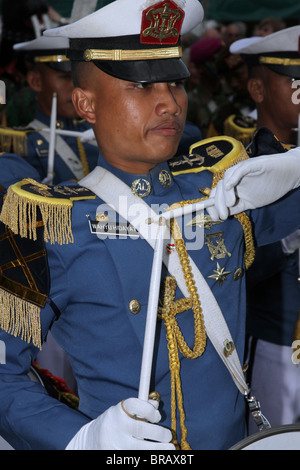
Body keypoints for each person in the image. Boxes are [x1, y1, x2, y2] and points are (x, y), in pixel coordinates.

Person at [1, 0, 300, 451]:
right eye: (141, 85)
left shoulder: (226, 189)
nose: (169, 103)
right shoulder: (47, 223)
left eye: (175, 82)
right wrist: (80, 438)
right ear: (85, 102)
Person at [230, 26, 300, 432]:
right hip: (275, 345)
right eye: (294, 80)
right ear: (257, 88)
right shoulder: (236, 169)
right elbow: (227, 270)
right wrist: (289, 241)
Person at [0, 35, 99, 185]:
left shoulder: (96, 132)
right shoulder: (22, 145)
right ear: (36, 81)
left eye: (78, 78)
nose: (76, 88)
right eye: (65, 77)